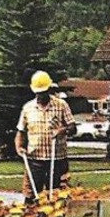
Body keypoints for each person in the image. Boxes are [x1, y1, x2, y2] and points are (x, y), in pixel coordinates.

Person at [14, 70, 75, 200]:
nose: (40, 95)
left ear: (49, 89)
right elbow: (21, 132)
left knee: (57, 196)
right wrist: (19, 146)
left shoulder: (61, 105)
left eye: (43, 92)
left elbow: (73, 128)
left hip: (57, 159)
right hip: (34, 160)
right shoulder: (27, 108)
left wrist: (62, 130)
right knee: (31, 196)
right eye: (38, 92)